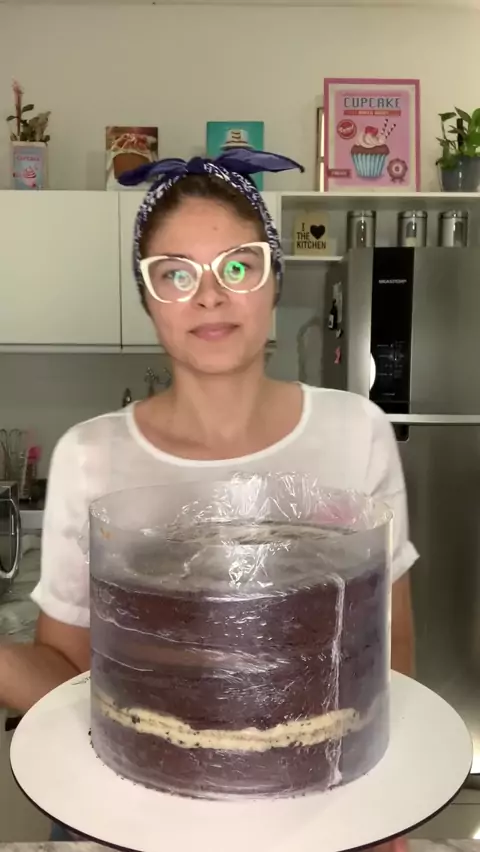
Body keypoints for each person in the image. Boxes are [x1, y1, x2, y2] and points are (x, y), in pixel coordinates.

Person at [0, 149, 417, 844]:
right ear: (147, 300)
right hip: (131, 821)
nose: (210, 295)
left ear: (273, 280)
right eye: (175, 274)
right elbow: (70, 678)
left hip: (313, 819)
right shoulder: (91, 455)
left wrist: (383, 812)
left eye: (237, 267)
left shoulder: (356, 433)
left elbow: (387, 654)